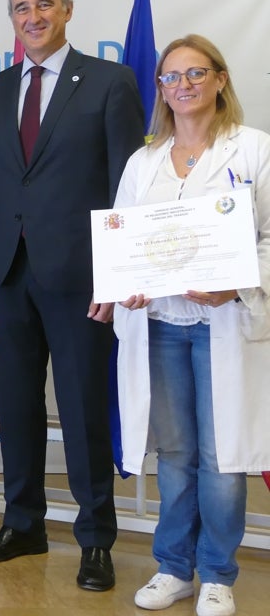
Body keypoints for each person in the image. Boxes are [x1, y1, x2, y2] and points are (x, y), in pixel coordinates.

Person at [0, 0, 144, 591]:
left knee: (83, 409)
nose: (33, 16)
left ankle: (95, 538)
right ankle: (24, 524)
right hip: (8, 273)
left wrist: (115, 276)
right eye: (21, 8)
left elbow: (129, 187)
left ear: (67, 10)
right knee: (16, 408)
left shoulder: (109, 82)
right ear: (11, 19)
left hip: (81, 278)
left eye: (44, 5)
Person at [113, 35, 270, 616]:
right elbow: (120, 238)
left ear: (221, 79)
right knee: (176, 453)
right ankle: (174, 567)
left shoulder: (255, 150)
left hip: (224, 323)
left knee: (222, 453)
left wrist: (238, 284)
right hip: (158, 324)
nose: (182, 85)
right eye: (171, 77)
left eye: (195, 73)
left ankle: (218, 575)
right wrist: (118, 286)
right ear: (160, 88)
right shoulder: (143, 160)